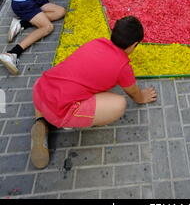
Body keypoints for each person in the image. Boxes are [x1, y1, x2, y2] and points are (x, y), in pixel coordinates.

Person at [30, 16, 157, 169]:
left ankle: (40, 121)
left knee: (75, 83)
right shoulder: (123, 67)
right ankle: (59, 121)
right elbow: (134, 93)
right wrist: (142, 98)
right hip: (60, 109)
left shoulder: (97, 42)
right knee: (119, 104)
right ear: (134, 45)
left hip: (42, 88)